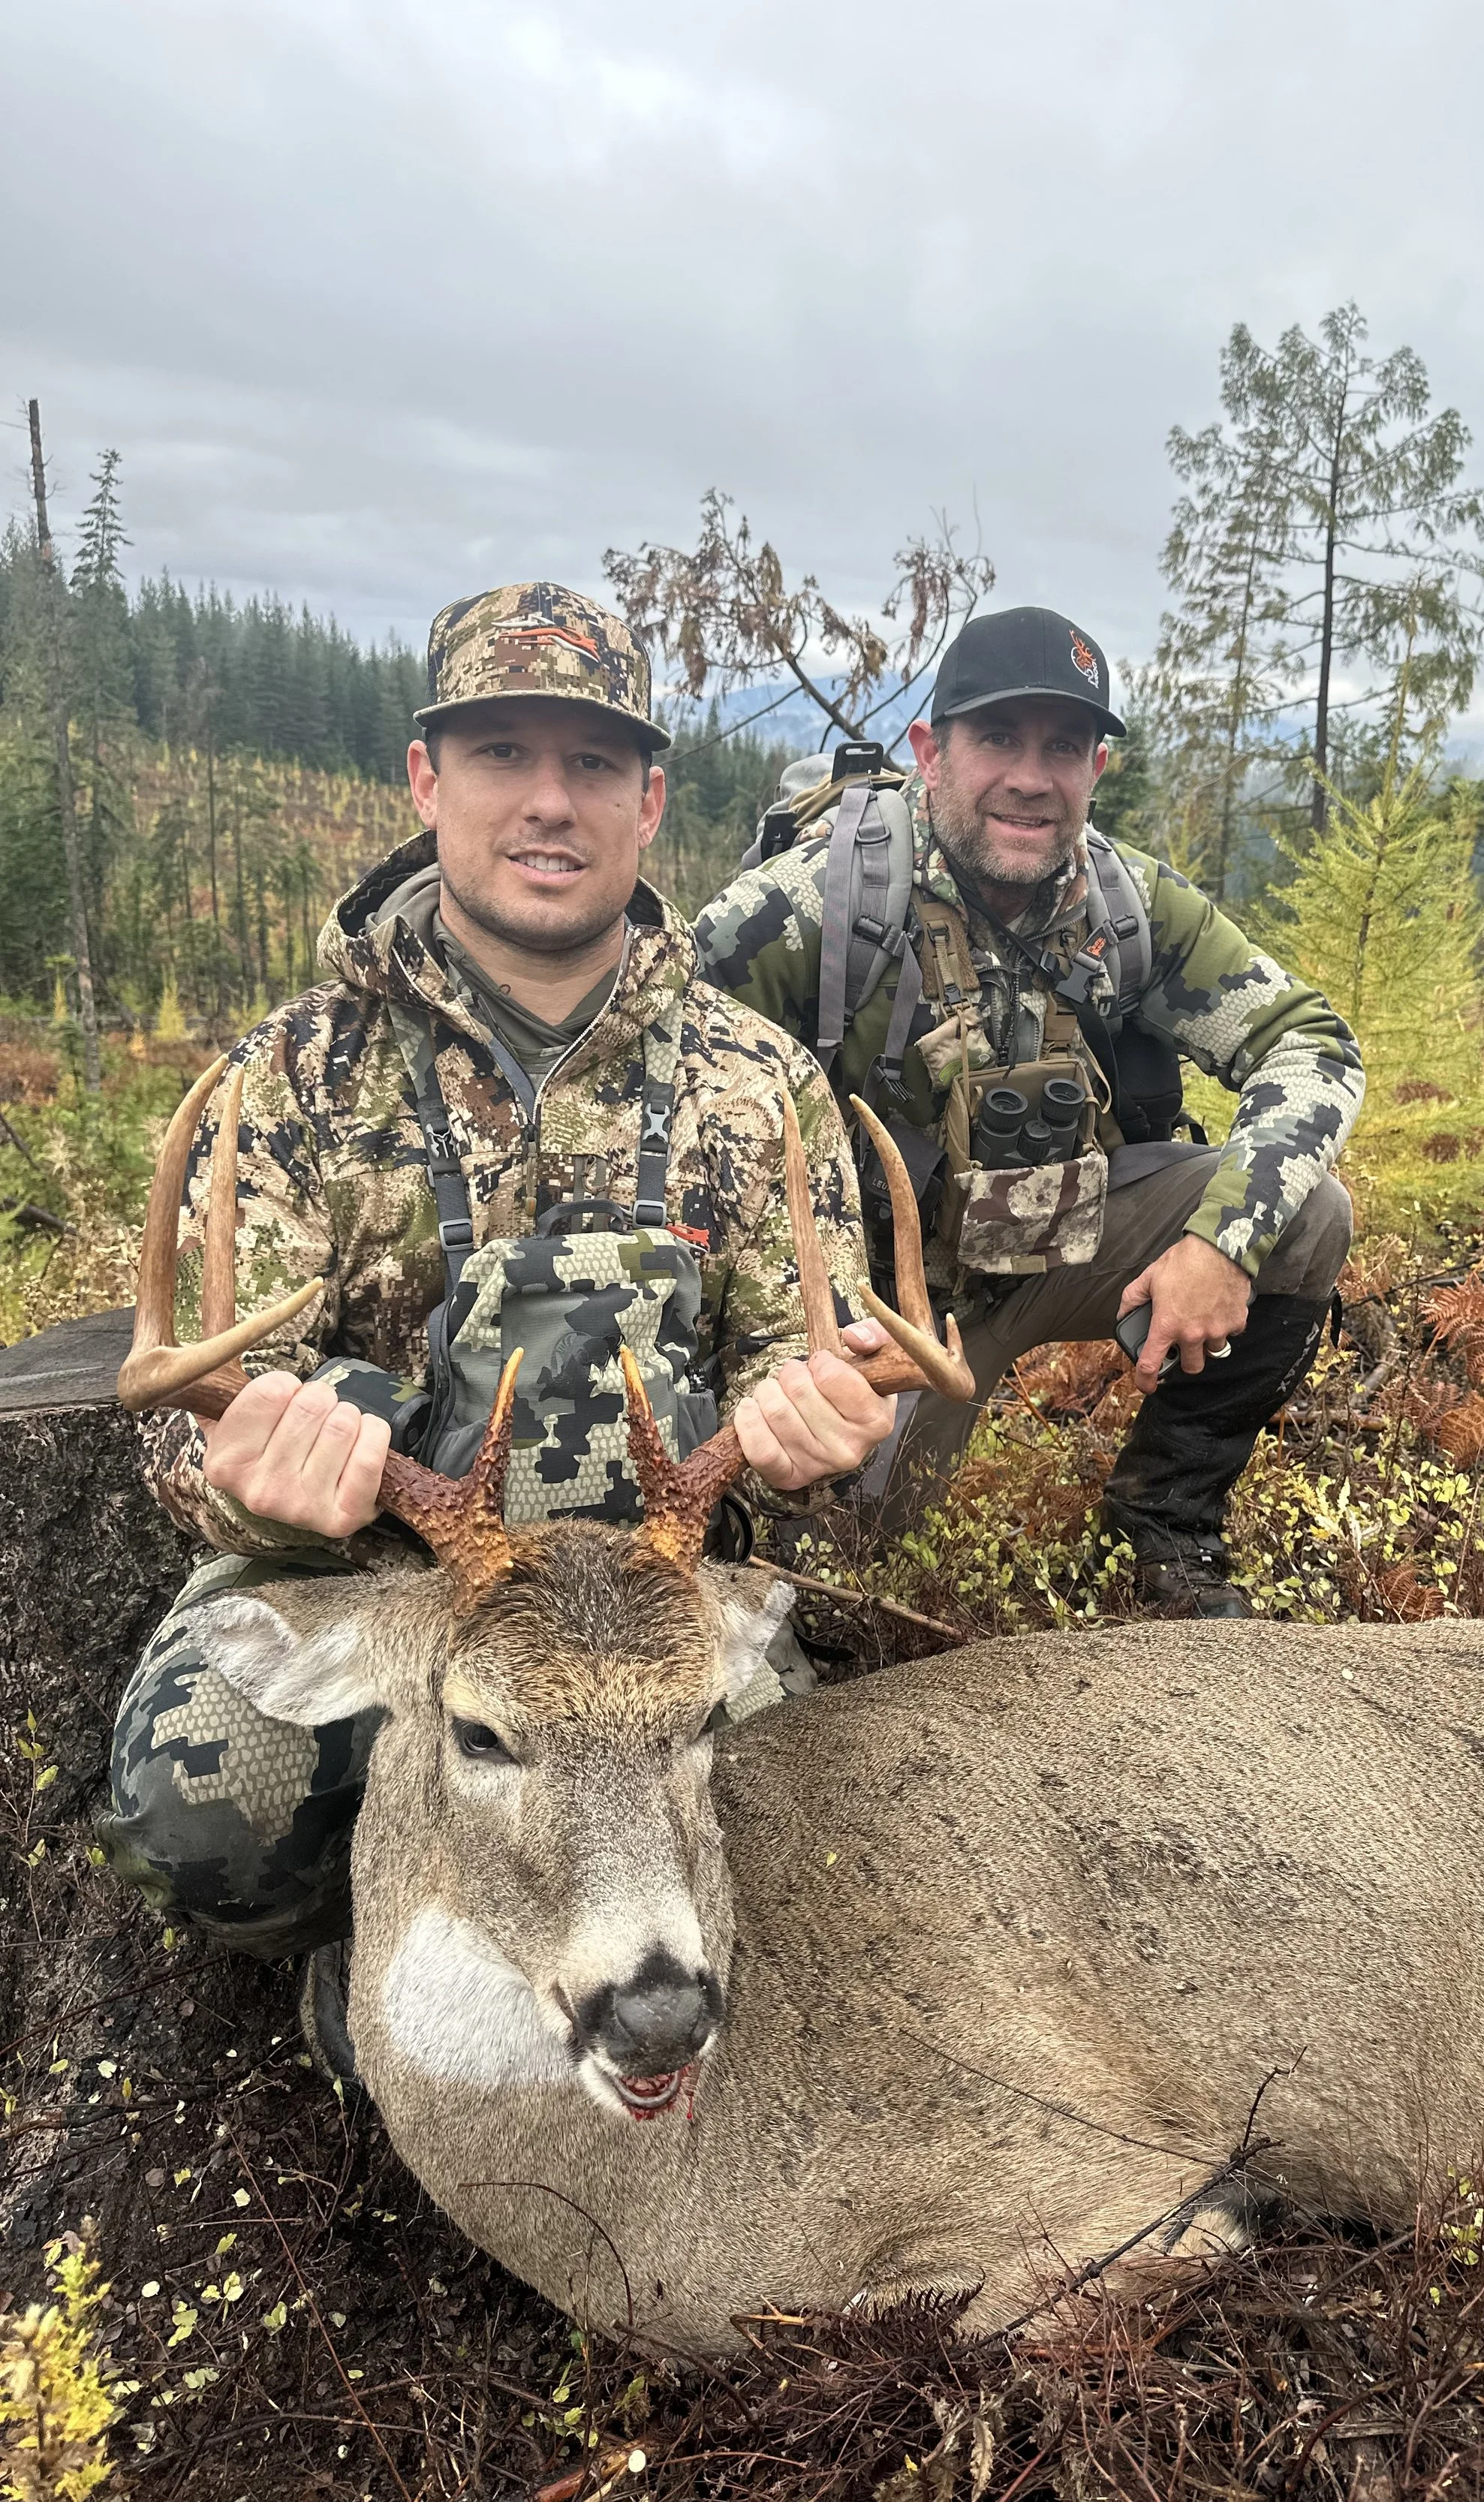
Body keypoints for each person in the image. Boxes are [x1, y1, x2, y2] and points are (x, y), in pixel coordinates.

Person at [98, 582, 897, 2054]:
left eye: (592, 764)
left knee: (823, 1831)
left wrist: (827, 1423)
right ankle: (374, 1937)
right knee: (203, 1807)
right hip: (402, 1594)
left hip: (657, 1607)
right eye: (499, 756)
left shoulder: (756, 1083)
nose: (548, 801)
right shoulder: (293, 1079)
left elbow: (821, 1360)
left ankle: (621, 1948)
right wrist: (241, 1475)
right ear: (425, 778)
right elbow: (183, 1420)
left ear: (650, 799)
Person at [692, 605, 1363, 1615]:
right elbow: (658, 1101)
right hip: (884, 1316)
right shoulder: (809, 912)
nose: (1030, 776)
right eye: (997, 737)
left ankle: (1161, 1533)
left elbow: (1313, 1045)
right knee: (837, 1583)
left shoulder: (1131, 908)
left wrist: (1224, 1241)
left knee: (1308, 1220)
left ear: (1099, 767)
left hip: (1062, 1246)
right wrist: (789, 1326)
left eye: (1064, 746)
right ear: (932, 750)